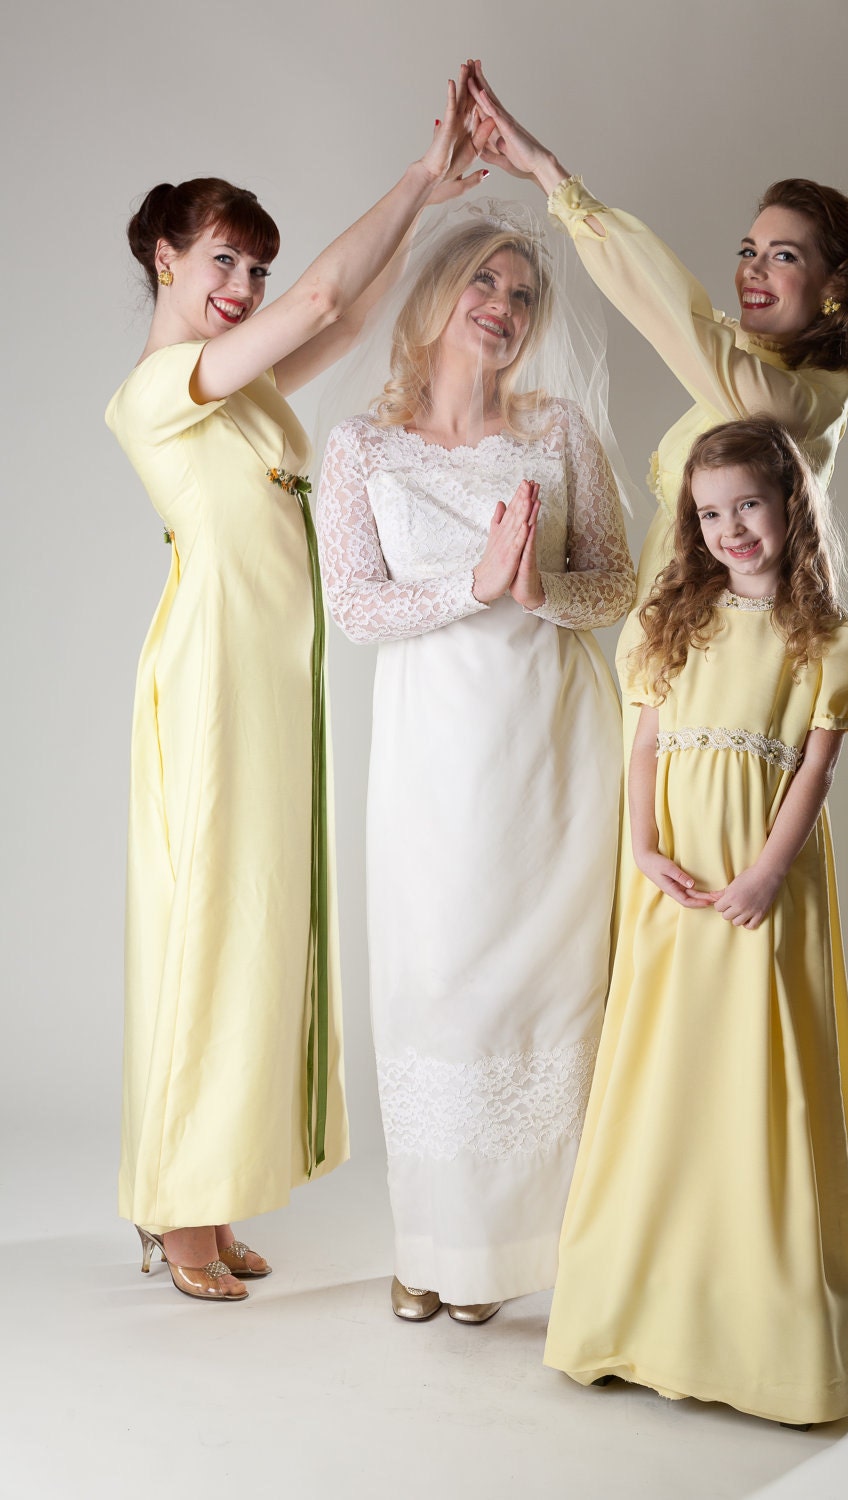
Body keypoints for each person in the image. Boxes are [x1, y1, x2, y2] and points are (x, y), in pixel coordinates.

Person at [107, 74, 494, 1302]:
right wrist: (418, 175)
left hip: (272, 680)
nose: (245, 285)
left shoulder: (243, 385)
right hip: (215, 678)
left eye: (256, 269)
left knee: (257, 925)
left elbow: (348, 314)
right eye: (224, 260)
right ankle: (179, 1215)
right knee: (210, 929)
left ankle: (203, 1202)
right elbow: (324, 298)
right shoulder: (162, 388)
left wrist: (429, 207)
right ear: (166, 258)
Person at [542, 417, 848, 1425]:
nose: (731, 528)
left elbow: (814, 773)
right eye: (709, 514)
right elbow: (644, 748)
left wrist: (767, 875)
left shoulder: (828, 643)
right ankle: (635, 1306)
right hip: (675, 885)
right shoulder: (673, 626)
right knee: (665, 1066)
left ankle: (766, 1329)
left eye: (748, 504)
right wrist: (644, 849)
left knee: (754, 1068)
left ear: (790, 505)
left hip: (760, 884)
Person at [317, 204, 635, 1323]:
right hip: (433, 758)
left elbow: (617, 583)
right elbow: (353, 606)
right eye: (485, 285)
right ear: (439, 293)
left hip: (552, 750)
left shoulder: (558, 432)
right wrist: (474, 584)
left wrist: (538, 589)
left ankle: (522, 1252)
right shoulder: (362, 446)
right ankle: (433, 1244)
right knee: (437, 986)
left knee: (545, 996)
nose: (503, 309)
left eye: (523, 297)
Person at [464, 60, 848, 691]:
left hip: (718, 662)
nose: (753, 270)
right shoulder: (751, 362)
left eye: (783, 256)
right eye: (748, 251)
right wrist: (543, 176)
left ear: (834, 288)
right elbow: (682, 310)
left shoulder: (801, 400)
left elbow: (673, 313)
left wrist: (552, 175)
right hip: (662, 641)